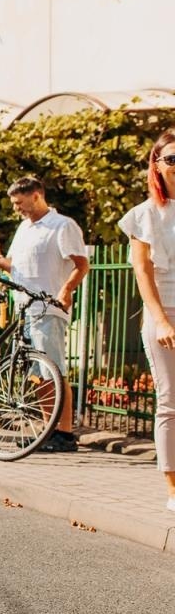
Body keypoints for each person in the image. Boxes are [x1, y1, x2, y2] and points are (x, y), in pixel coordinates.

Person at [0, 175, 90, 452]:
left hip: (48, 308)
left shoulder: (62, 226)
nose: (16, 209)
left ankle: (66, 433)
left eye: (19, 203)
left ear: (36, 195)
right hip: (26, 308)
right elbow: (18, 267)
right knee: (39, 375)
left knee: (54, 371)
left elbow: (81, 265)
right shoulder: (24, 228)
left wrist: (66, 290)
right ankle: (49, 430)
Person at [122, 129, 175, 509]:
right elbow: (143, 272)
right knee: (170, 400)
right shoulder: (143, 215)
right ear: (156, 164)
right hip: (165, 312)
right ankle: (173, 487)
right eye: (171, 158)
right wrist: (161, 321)